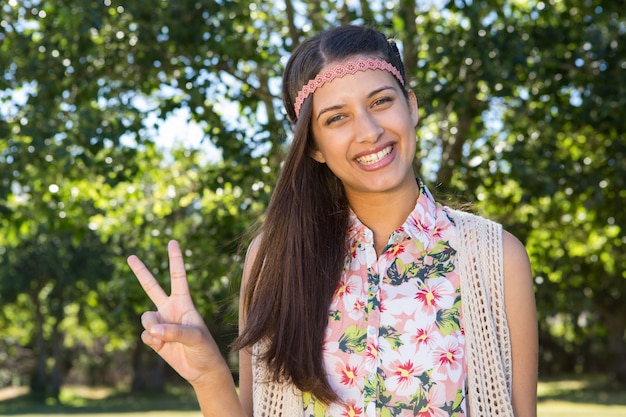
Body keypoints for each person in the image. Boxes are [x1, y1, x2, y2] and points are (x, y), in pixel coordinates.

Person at [127, 25, 538, 417]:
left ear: (410, 106)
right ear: (315, 147)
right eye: (336, 118)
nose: (369, 131)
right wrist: (208, 375)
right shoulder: (274, 260)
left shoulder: (496, 258)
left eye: (381, 102)